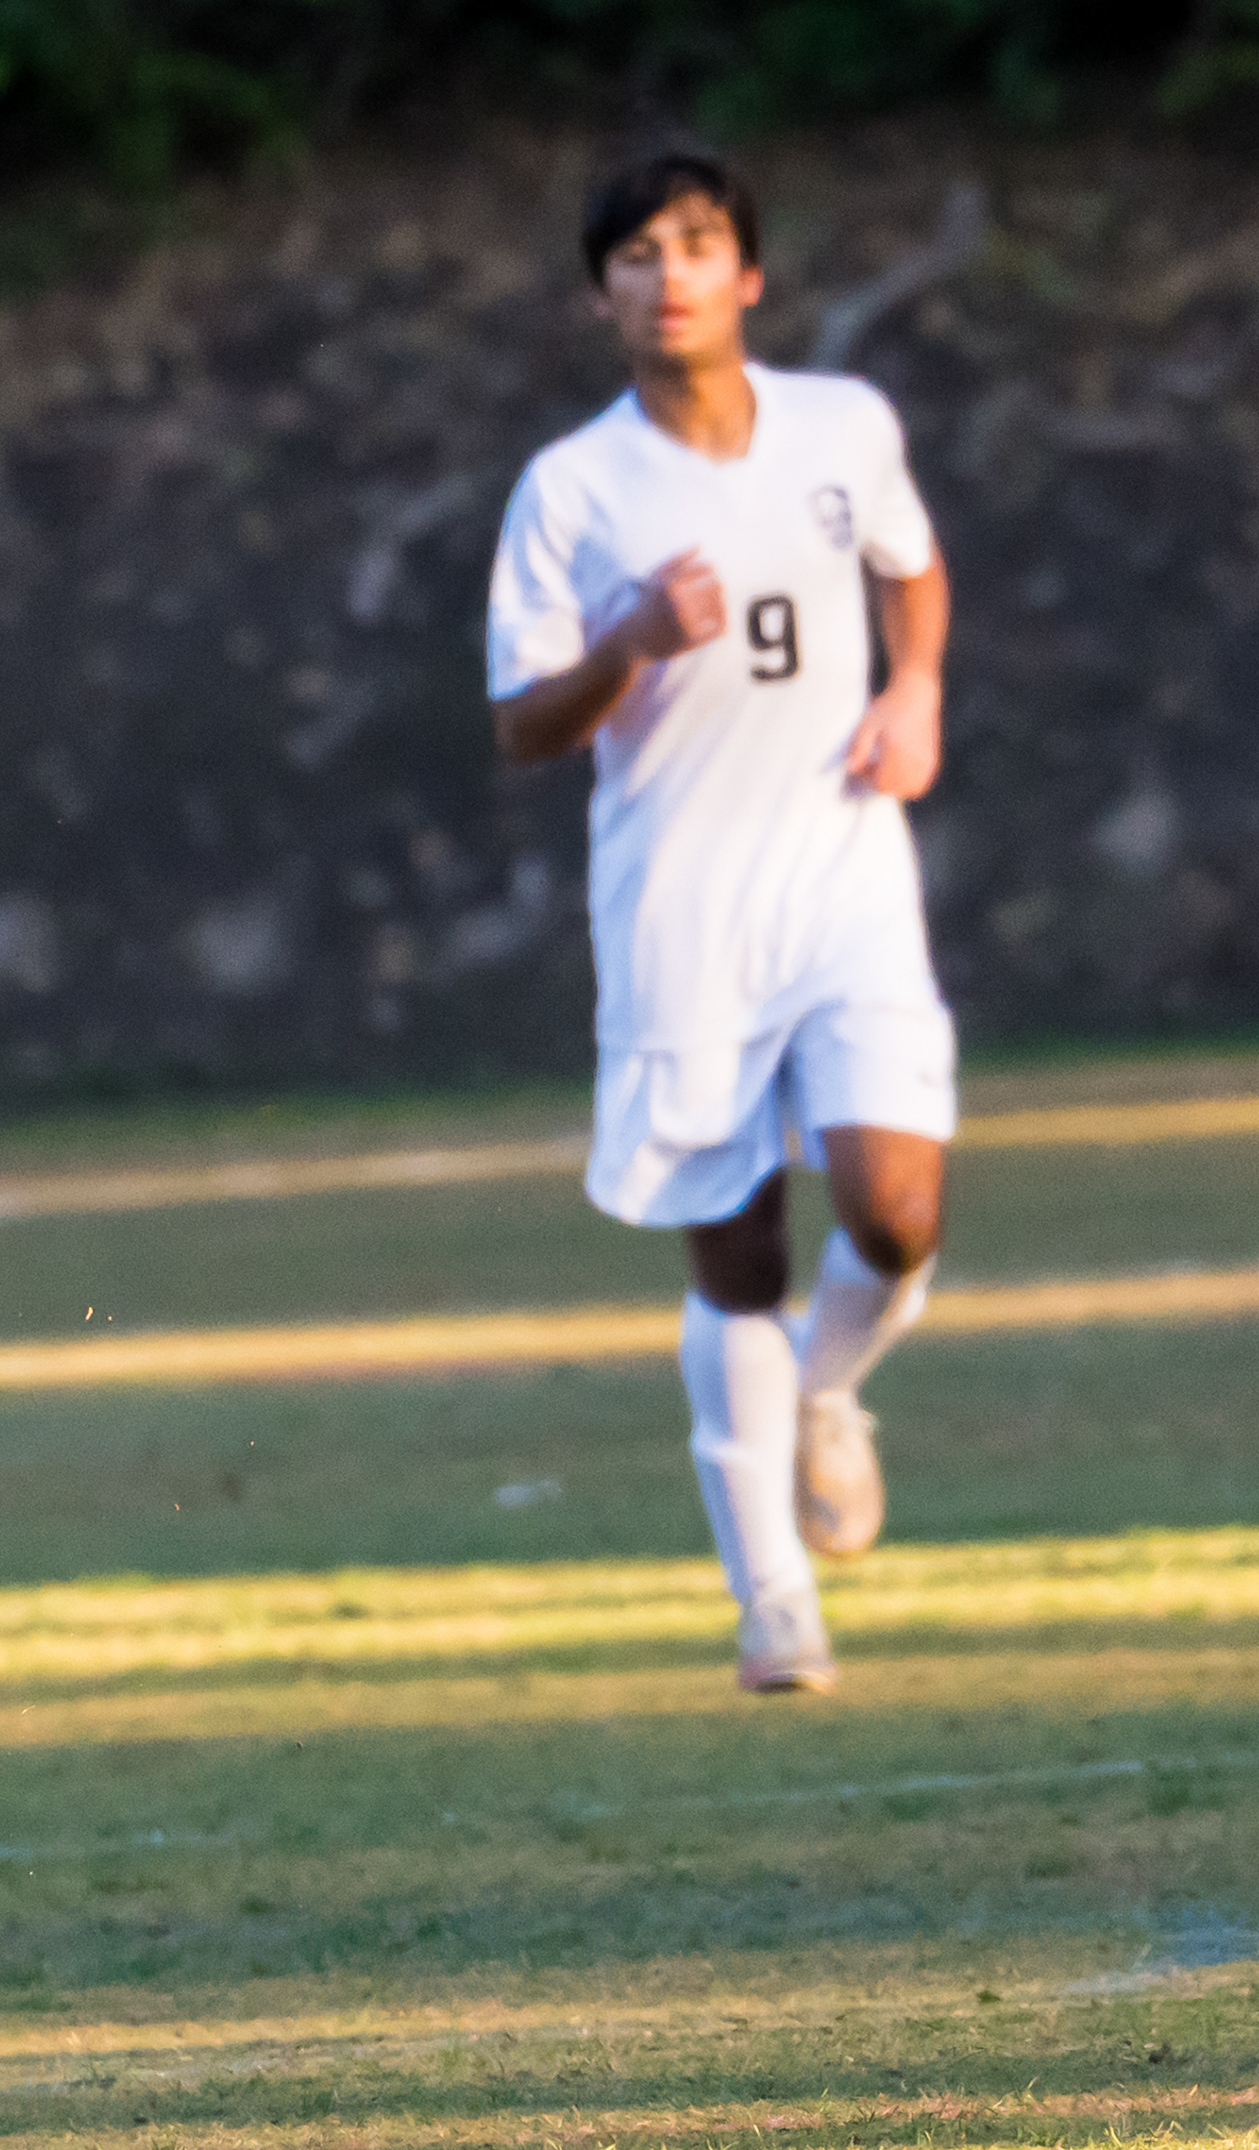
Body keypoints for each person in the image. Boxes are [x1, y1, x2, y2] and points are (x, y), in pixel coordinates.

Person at [490, 148, 955, 1694]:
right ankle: (774, 1600)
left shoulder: (845, 425)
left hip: (845, 872)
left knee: (896, 1211)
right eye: (635, 252)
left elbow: (912, 567)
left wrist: (915, 686)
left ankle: (825, 1391)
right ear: (600, 295)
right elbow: (522, 724)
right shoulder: (573, 488)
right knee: (738, 1247)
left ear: (748, 274)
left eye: (696, 243)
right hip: (679, 909)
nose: (668, 272)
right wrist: (627, 639)